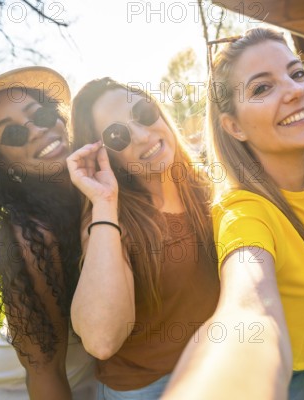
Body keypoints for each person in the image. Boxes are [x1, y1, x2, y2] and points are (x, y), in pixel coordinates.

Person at [163, 27, 304, 400]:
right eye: (262, 88)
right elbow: (248, 302)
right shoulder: (243, 212)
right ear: (233, 126)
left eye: (297, 73)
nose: (295, 90)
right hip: (283, 378)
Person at [0, 66, 97, 399]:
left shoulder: (94, 180)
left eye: (39, 114)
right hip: (17, 390)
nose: (37, 131)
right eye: (11, 134)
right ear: (2, 164)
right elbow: (44, 371)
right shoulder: (31, 237)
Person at [66, 77, 220, 399]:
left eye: (143, 112)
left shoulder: (206, 186)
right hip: (149, 388)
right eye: (117, 135)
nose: (140, 135)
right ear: (103, 155)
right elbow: (102, 340)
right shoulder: (109, 220)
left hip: (214, 369)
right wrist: (105, 202)